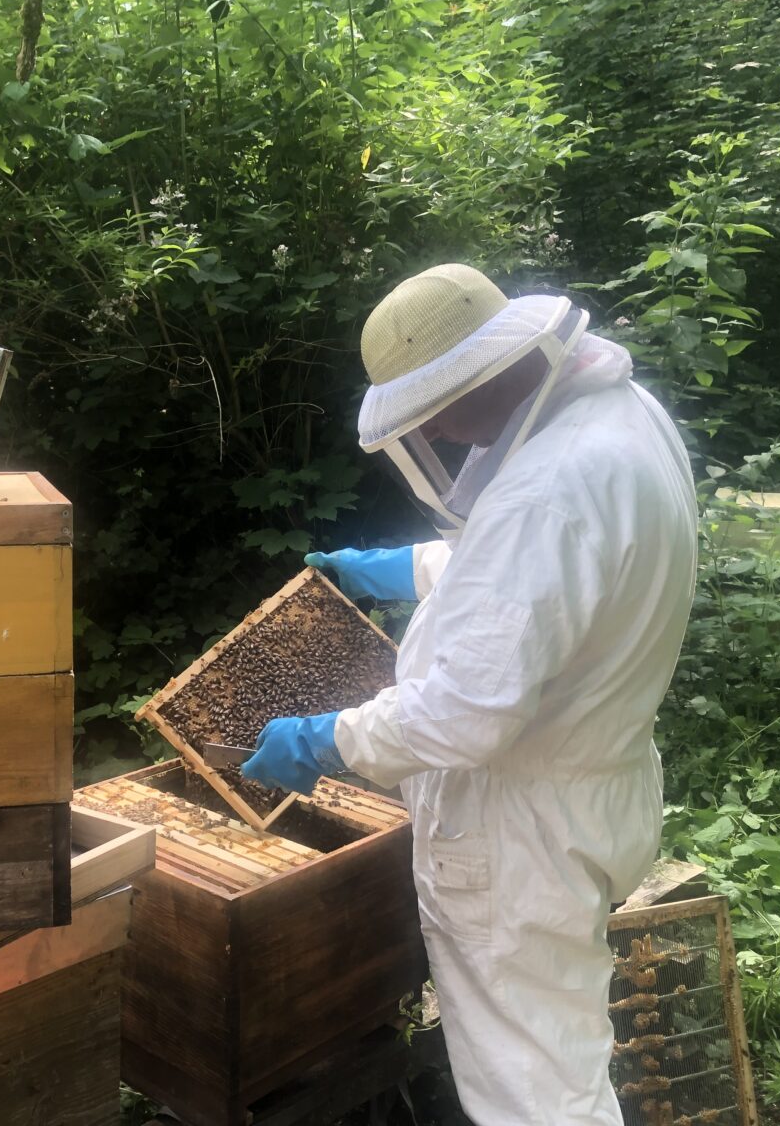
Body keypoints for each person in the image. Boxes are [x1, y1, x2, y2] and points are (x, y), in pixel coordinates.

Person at [242, 264, 698, 1126]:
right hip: (586, 794)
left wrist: (329, 740)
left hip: (516, 835)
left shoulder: (547, 490)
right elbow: (553, 578)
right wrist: (411, 567)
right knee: (553, 1051)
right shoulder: (617, 415)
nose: (435, 430)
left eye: (435, 405)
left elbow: (465, 711)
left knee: (535, 1094)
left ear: (487, 371)